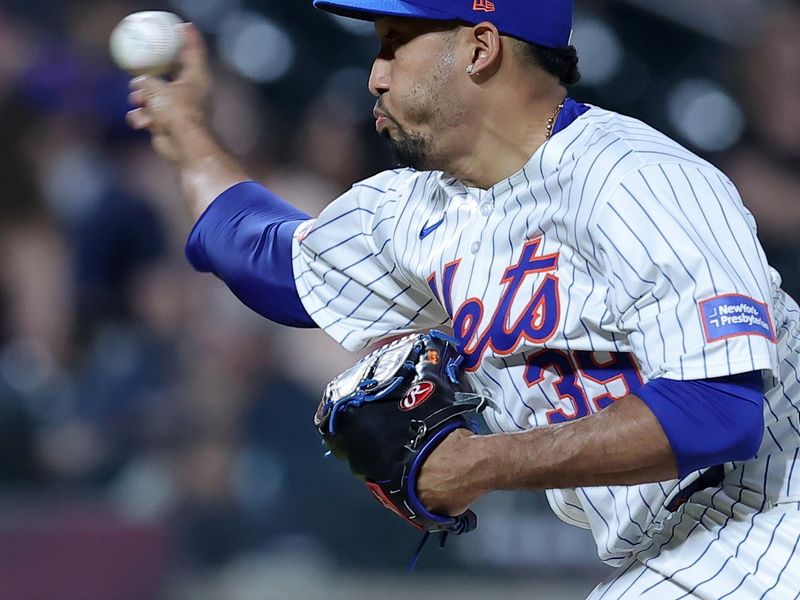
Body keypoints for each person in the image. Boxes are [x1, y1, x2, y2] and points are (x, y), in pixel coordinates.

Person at [126, 1, 800, 597]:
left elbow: (718, 412)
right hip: (682, 556)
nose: (375, 74)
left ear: (481, 48)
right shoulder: (424, 208)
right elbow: (266, 257)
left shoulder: (639, 181)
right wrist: (186, 132)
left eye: (395, 42)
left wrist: (475, 464)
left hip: (774, 519)